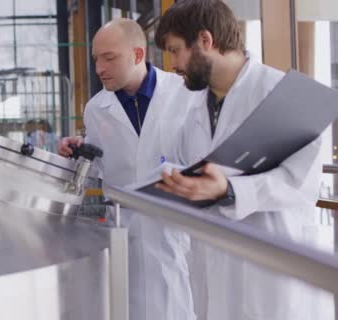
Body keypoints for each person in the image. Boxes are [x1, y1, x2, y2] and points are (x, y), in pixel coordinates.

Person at [153, 1, 325, 319]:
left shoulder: (286, 95)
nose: (173, 64)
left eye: (176, 50)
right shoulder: (191, 104)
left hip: (270, 268)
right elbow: (178, 160)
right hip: (211, 260)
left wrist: (229, 190)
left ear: (205, 41)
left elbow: (300, 184)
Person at [58, 18, 203, 320]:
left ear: (138, 55)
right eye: (96, 58)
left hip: (174, 227)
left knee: (176, 304)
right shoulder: (97, 108)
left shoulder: (185, 94)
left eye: (109, 58)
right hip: (124, 230)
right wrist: (79, 151)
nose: (99, 68)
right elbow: (101, 162)